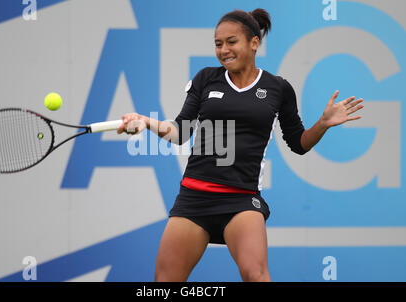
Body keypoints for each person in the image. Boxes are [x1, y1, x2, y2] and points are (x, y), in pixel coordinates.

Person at [117, 8, 363, 282]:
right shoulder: (206, 78)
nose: (223, 50)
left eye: (231, 42)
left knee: (256, 275)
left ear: (254, 43)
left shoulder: (278, 88)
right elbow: (180, 131)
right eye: (218, 44)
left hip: (242, 199)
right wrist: (146, 122)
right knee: (164, 283)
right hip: (194, 198)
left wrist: (323, 124)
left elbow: (299, 143)